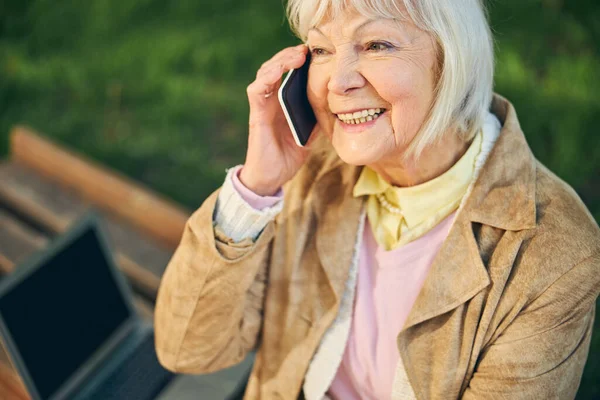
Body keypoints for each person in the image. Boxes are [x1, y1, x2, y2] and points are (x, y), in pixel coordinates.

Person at [154, 0, 600, 398]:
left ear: (451, 63)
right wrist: (256, 187)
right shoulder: (312, 169)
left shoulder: (556, 250)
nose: (338, 82)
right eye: (322, 50)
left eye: (377, 45)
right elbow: (187, 350)